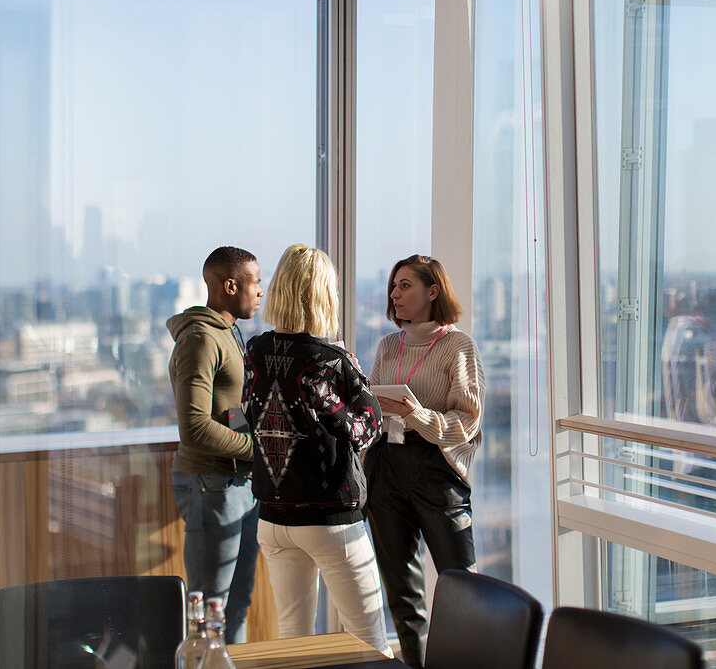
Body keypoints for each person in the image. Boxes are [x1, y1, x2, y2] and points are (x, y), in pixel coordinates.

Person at [243, 243, 390, 654]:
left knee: (294, 643)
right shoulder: (333, 359)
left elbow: (253, 414)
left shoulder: (255, 352)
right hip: (331, 520)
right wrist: (349, 396)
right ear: (324, 294)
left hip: (273, 518)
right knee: (371, 642)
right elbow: (365, 431)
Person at [364, 254, 485, 668]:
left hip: (436, 470)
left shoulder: (458, 345)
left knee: (461, 585)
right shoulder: (387, 345)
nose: (394, 294)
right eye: (393, 286)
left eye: (405, 285)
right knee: (402, 593)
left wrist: (415, 414)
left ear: (432, 291)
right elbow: (372, 414)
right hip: (387, 466)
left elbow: (467, 422)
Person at [167, 246, 263, 644]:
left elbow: (228, 410)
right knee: (209, 611)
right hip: (212, 486)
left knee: (237, 604)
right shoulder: (201, 340)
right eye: (256, 283)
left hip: (239, 484)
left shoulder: (228, 333)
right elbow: (194, 427)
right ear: (230, 285)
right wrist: (259, 450)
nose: (261, 292)